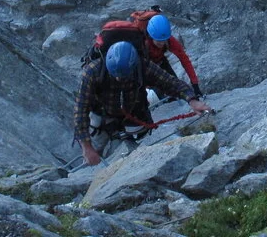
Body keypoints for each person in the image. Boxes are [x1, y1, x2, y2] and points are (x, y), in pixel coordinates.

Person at [73, 41, 212, 166]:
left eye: (123, 76)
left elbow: (170, 83)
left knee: (130, 147)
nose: (118, 79)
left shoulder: (143, 66)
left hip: (133, 113)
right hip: (102, 115)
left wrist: (192, 100)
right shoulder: (92, 72)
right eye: (115, 75)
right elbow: (81, 108)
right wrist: (86, 147)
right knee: (95, 149)